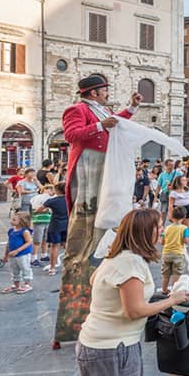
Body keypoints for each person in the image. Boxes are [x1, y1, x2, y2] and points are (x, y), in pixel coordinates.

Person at [76, 209, 189, 376]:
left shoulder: (118, 256)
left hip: (96, 345)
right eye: (158, 226)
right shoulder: (130, 262)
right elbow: (134, 311)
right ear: (145, 232)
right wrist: (173, 299)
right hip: (114, 350)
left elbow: (94, 280)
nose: (162, 231)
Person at [55, 74, 143, 347]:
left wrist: (130, 108)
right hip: (89, 169)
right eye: (104, 90)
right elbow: (71, 135)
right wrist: (99, 126)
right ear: (93, 93)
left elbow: (114, 123)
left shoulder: (101, 110)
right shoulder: (77, 110)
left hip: (104, 168)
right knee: (87, 233)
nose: (107, 93)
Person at [1, 212, 34, 294]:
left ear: (21, 221)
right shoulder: (11, 231)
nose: (11, 220)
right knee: (14, 270)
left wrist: (17, 250)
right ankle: (16, 285)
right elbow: (8, 243)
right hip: (13, 255)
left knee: (25, 268)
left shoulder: (24, 231)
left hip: (23, 255)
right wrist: (6, 255)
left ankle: (27, 284)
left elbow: (29, 242)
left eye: (14, 219)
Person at [160, 206, 189, 294]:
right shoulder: (184, 228)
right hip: (178, 253)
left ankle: (164, 289)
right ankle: (174, 290)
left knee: (165, 274)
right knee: (176, 274)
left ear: (172, 217)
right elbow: (186, 241)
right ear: (184, 217)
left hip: (166, 253)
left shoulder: (167, 228)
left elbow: (162, 242)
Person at [42, 183, 69, 277]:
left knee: (54, 247)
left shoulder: (52, 201)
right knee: (67, 246)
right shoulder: (69, 199)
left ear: (57, 191)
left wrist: (47, 210)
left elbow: (39, 209)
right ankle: (69, 267)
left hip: (55, 225)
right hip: (67, 224)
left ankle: (52, 268)